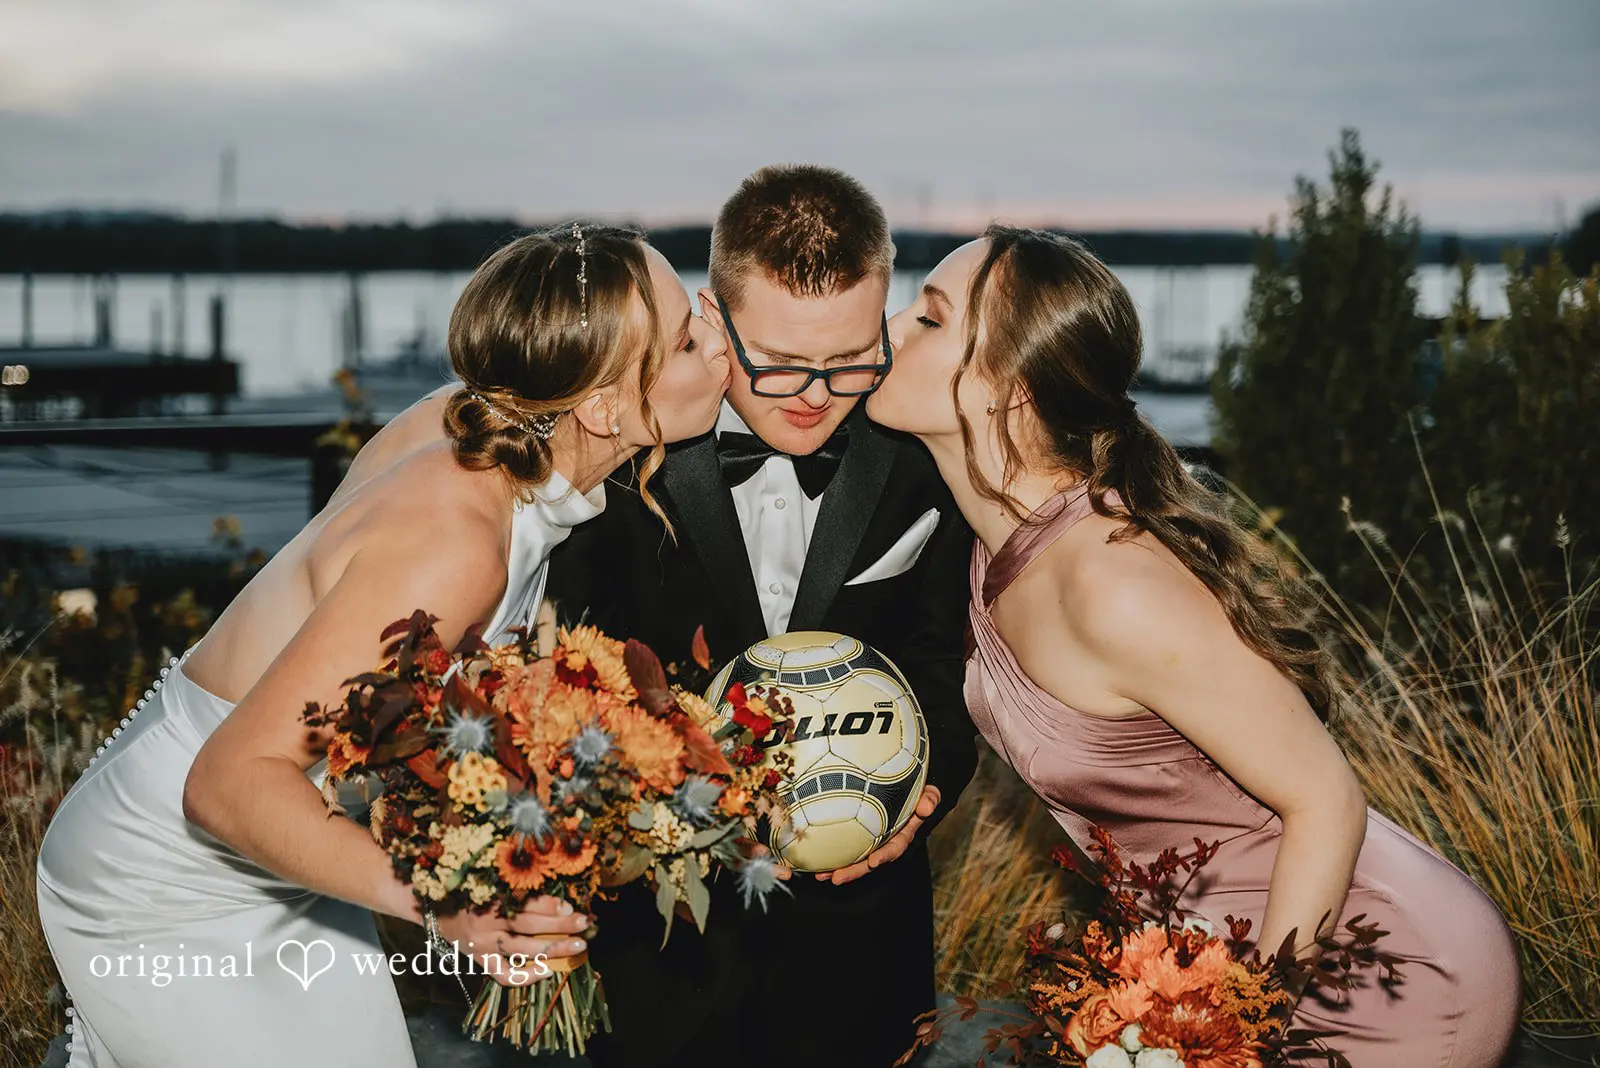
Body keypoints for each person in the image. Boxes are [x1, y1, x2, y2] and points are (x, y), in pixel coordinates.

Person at [34, 223, 732, 1068]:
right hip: (168, 876)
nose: (717, 340)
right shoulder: (456, 541)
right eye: (692, 337)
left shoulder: (483, 421)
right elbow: (224, 784)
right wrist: (450, 909)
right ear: (603, 406)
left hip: (284, 846)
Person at [865, 223, 1522, 1065]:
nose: (889, 331)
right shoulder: (988, 545)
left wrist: (1239, 1031)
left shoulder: (1114, 584)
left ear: (1010, 390)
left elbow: (1326, 799)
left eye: (928, 319)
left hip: (1371, 974)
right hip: (1197, 969)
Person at [544, 165, 978, 1068]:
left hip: (859, 945)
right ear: (710, 317)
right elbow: (566, 667)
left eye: (852, 358)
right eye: (778, 363)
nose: (817, 394)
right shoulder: (623, 444)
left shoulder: (921, 453)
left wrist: (919, 795)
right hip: (655, 951)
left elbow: (942, 661)